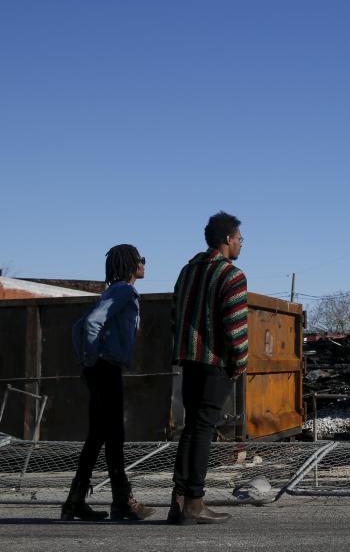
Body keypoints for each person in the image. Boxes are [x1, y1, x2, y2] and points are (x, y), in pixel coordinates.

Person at [62, 244, 156, 521]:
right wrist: (92, 360)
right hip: (106, 369)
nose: (144, 264)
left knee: (99, 436)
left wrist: (87, 360)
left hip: (102, 368)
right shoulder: (124, 291)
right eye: (141, 259)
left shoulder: (113, 291)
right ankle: (122, 500)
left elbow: (77, 326)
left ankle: (75, 501)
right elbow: (90, 323)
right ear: (130, 264)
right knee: (114, 436)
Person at [168, 211, 248, 525]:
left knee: (191, 428)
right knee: (203, 430)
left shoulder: (187, 271)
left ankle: (178, 501)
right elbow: (235, 325)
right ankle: (195, 503)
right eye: (240, 238)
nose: (242, 244)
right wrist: (239, 362)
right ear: (228, 239)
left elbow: (175, 316)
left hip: (189, 361)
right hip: (216, 364)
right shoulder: (232, 275)